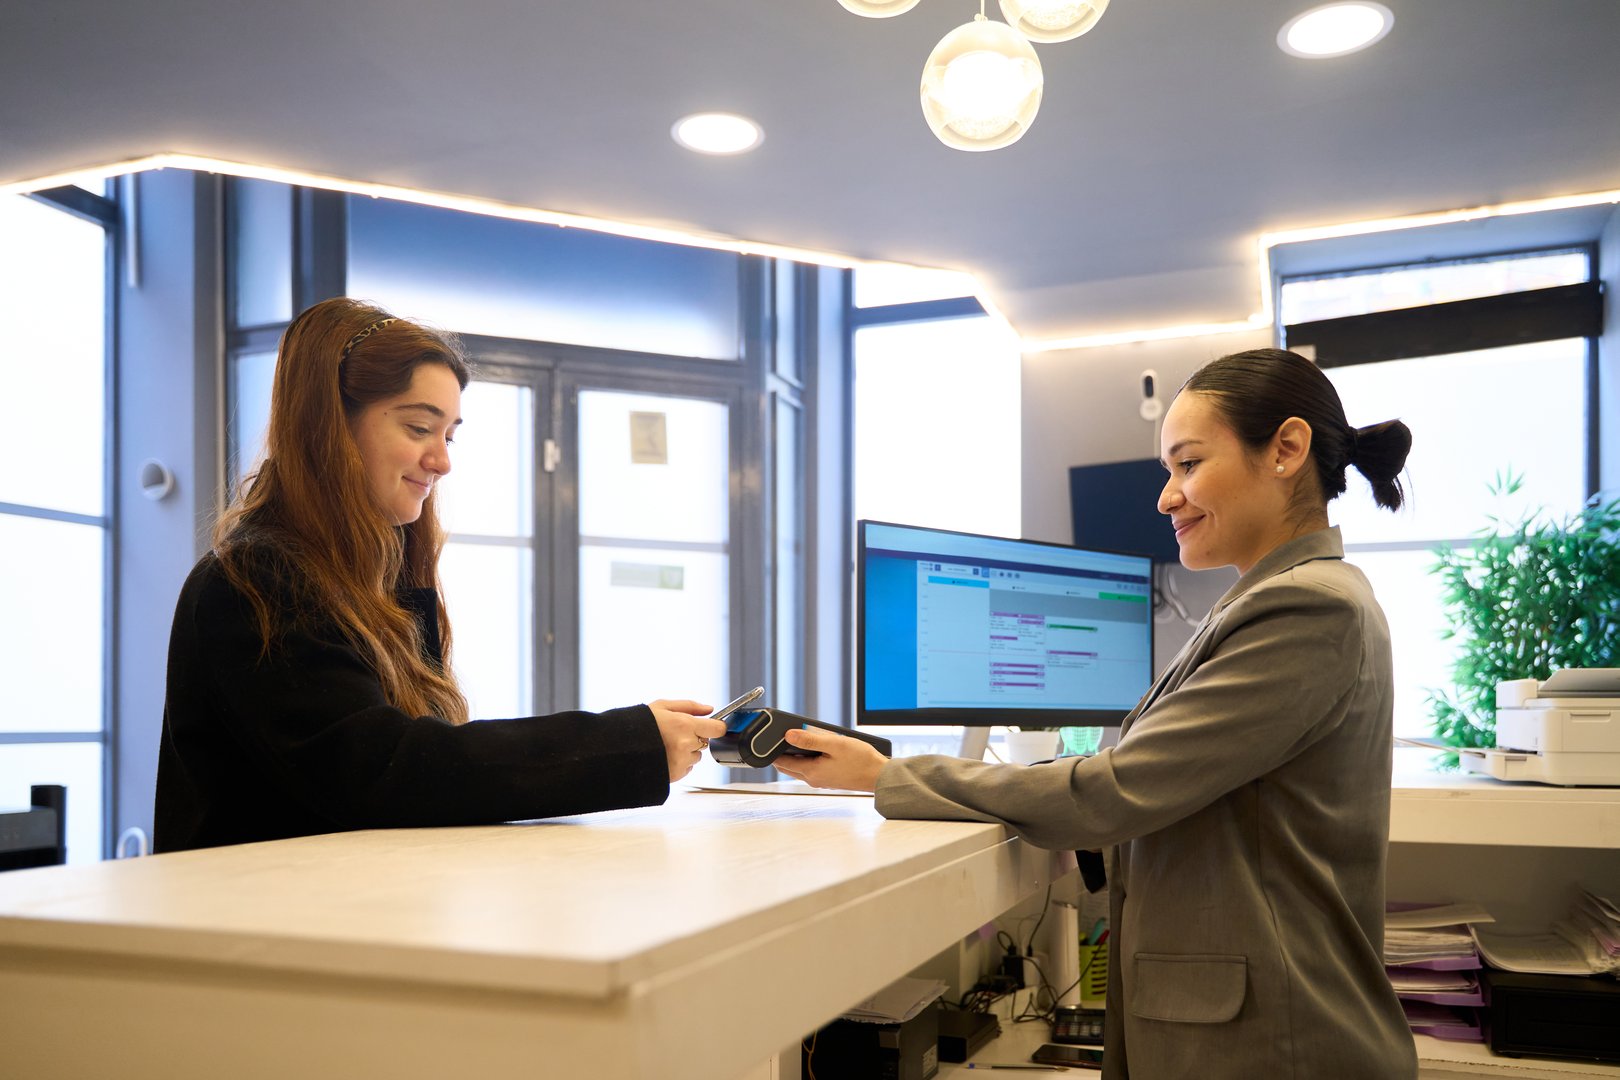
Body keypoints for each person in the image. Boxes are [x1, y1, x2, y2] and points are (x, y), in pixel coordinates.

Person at [778, 348, 1420, 1079]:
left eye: (1187, 464)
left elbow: (1120, 790)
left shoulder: (1305, 608)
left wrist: (887, 775)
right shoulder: (1274, 601)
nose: (1165, 497)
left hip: (1275, 1042)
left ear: (1286, 449)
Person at [154, 297, 725, 853]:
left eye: (448, 435)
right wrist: (630, 745)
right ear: (329, 426)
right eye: (418, 428)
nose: (442, 460)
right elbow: (384, 770)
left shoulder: (368, 579)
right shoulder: (257, 578)